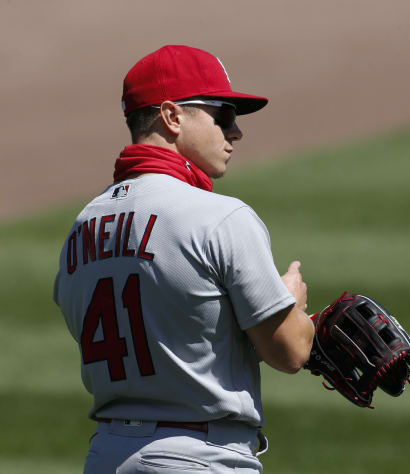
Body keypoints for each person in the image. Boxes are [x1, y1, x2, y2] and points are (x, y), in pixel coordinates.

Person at [53, 44, 314, 474]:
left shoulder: (83, 225)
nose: (235, 133)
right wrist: (293, 306)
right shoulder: (220, 217)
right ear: (173, 117)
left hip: (107, 455)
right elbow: (290, 352)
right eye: (223, 116)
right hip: (197, 456)